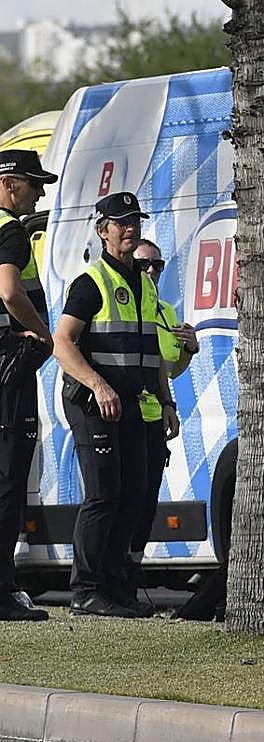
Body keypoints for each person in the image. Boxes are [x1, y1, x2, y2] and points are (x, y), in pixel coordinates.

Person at [53, 192, 179, 618]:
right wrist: (98, 385)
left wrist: (167, 402)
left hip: (132, 403)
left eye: (135, 221)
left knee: (132, 495)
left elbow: (153, 353)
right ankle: (85, 590)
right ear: (102, 230)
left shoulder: (144, 281)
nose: (130, 228)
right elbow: (62, 342)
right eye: (120, 222)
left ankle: (116, 588)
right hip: (92, 403)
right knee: (104, 495)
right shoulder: (91, 282)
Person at [0, 150, 56, 621]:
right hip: (8, 368)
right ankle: (2, 591)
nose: (40, 193)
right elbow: (10, 291)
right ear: (9, 184)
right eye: (34, 184)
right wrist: (42, 333)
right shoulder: (9, 230)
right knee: (8, 478)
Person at [127, 238, 198, 592]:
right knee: (121, 498)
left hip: (155, 414)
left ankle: (132, 571)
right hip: (124, 413)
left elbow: (169, 370)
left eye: (158, 265)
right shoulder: (127, 305)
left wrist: (189, 349)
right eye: (144, 265)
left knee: (146, 500)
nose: (152, 271)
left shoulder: (167, 312)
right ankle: (114, 576)